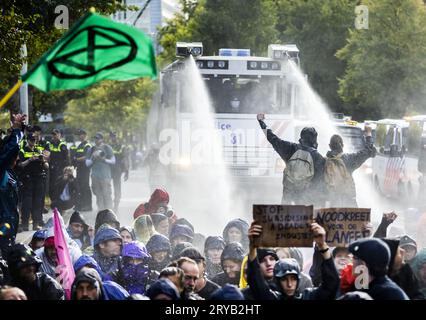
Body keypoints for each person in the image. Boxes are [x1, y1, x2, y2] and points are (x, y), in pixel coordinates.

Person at [247, 222, 340, 300]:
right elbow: (255, 281)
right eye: (284, 279)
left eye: (293, 278)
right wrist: (252, 247)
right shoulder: (271, 298)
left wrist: (322, 245)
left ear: (299, 278)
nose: (290, 284)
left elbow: (331, 283)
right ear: (277, 280)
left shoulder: (309, 297)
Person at [257, 113, 325, 206]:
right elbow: (320, 184)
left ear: (301, 138)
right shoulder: (318, 157)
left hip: (288, 199)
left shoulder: (290, 148)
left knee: (285, 218)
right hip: (306, 203)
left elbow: (272, 138)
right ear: (315, 140)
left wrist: (261, 122)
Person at [324, 129, 376, 207]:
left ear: (329, 146)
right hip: (349, 202)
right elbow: (368, 151)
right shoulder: (349, 159)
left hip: (333, 202)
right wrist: (368, 135)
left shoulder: (324, 161)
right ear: (342, 145)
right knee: (354, 219)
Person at [0, 114, 26, 252]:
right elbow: (10, 148)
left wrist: (19, 128)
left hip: (9, 226)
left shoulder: (9, 172)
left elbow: (9, 147)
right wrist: (17, 130)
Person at [17, 132, 48, 230]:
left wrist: (43, 160)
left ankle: (36, 224)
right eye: (31, 140)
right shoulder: (22, 151)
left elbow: (46, 166)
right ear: (27, 140)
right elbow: (20, 165)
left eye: (35, 140)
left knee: (37, 203)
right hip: (28, 180)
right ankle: (25, 224)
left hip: (38, 179)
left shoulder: (39, 150)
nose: (33, 142)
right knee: (27, 203)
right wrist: (30, 159)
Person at [85, 132, 115, 211]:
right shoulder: (91, 149)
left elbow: (113, 161)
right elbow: (87, 163)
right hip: (95, 176)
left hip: (105, 176)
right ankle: (101, 212)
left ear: (102, 139)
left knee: (107, 195)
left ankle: (109, 212)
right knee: (98, 195)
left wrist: (104, 159)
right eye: (95, 138)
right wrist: (93, 158)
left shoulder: (107, 148)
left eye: (98, 138)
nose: (96, 140)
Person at [47, 129, 70, 206]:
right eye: (53, 134)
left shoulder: (62, 144)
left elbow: (66, 158)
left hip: (60, 169)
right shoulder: (50, 143)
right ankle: (53, 201)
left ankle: (60, 202)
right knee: (52, 186)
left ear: (60, 135)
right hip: (52, 168)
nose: (54, 136)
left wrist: (66, 170)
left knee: (59, 185)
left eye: (56, 134)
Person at [72, 129, 92, 211]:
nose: (79, 136)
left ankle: (88, 205)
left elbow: (86, 157)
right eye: (78, 135)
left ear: (84, 135)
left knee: (85, 187)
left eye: (80, 134)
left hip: (85, 169)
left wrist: (76, 160)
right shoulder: (80, 145)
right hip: (79, 169)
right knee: (79, 187)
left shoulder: (87, 145)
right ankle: (80, 205)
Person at [109, 132, 129, 212]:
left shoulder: (122, 147)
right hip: (109, 170)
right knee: (107, 187)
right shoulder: (108, 146)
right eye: (112, 136)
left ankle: (116, 205)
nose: (113, 138)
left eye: (114, 136)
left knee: (117, 187)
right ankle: (108, 205)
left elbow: (125, 159)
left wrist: (127, 172)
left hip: (117, 170)